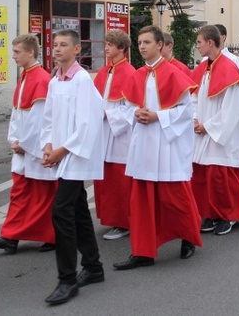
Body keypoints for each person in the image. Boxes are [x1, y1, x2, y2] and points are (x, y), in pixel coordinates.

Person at [115, 26, 202, 270]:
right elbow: (125, 107)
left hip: (167, 145)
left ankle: (188, 238)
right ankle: (143, 251)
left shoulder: (173, 73)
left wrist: (158, 117)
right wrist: (135, 112)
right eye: (139, 42)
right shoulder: (137, 74)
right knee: (142, 199)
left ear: (160, 45)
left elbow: (186, 110)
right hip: (144, 144)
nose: (141, 46)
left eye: (147, 42)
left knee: (175, 197)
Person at [40, 29, 106, 305]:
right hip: (60, 154)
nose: (57, 49)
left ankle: (66, 279)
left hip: (75, 155)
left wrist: (61, 151)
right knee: (78, 209)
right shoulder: (55, 81)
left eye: (64, 45)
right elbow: (48, 118)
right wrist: (47, 145)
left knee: (62, 211)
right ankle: (93, 266)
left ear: (77, 49)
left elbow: (88, 124)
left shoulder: (80, 80)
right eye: (55, 45)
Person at [0, 34, 56, 255]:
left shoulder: (41, 79)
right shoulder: (25, 77)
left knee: (44, 195)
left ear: (31, 52)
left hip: (35, 147)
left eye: (17, 52)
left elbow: (40, 118)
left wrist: (25, 143)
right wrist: (13, 139)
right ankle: (10, 237)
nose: (13, 56)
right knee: (20, 193)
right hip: (23, 146)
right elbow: (17, 112)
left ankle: (52, 235)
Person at [190, 25, 239, 236]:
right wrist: (195, 118)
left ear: (210, 42)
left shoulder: (229, 68)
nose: (196, 46)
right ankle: (212, 213)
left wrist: (208, 126)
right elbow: (195, 97)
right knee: (204, 174)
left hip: (220, 131)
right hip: (203, 129)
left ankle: (231, 215)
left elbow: (233, 108)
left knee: (221, 175)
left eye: (199, 42)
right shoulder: (203, 68)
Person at [93, 30, 136, 241]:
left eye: (110, 44)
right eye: (106, 44)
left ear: (121, 48)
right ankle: (110, 218)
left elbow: (131, 107)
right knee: (105, 177)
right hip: (104, 130)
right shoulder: (104, 72)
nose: (106, 48)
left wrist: (107, 114)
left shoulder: (129, 72)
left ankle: (124, 221)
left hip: (120, 134)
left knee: (120, 179)